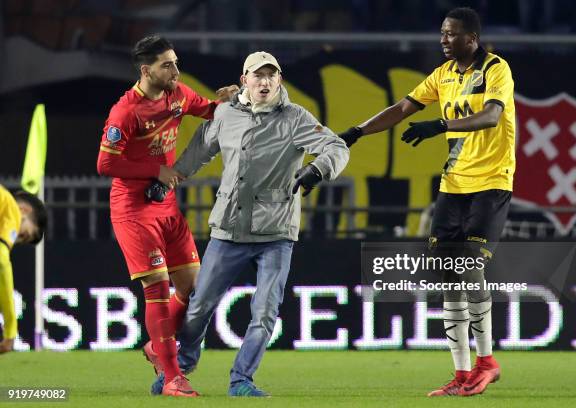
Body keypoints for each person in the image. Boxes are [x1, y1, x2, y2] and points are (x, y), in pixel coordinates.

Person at [149, 51, 349, 397]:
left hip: (276, 234)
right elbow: (199, 150)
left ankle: (241, 380)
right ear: (245, 80)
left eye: (272, 75)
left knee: (265, 312)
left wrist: (318, 169)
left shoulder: (295, 118)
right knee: (198, 305)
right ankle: (181, 368)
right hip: (228, 230)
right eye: (258, 75)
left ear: (279, 81)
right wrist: (170, 178)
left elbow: (336, 146)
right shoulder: (225, 113)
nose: (265, 81)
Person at [338, 7, 515, 397]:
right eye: (441, 33)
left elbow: (490, 117)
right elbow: (402, 109)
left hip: (490, 183)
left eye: (451, 34)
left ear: (471, 38)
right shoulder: (443, 75)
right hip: (452, 187)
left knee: (469, 270)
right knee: (449, 277)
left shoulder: (495, 69)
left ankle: (487, 362)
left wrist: (441, 124)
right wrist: (357, 132)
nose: (443, 40)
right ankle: (462, 373)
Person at [96, 35, 237, 397]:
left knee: (194, 289)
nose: (176, 70)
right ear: (146, 71)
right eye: (167, 65)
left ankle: (155, 346)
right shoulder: (125, 111)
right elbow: (105, 163)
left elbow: (206, 109)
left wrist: (222, 100)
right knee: (156, 288)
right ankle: (174, 377)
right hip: (134, 208)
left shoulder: (177, 94)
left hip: (166, 205)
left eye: (176, 62)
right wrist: (154, 170)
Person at [0, 186, 47, 354]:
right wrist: (11, 330)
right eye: (22, 235)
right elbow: (1, 262)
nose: (14, 241)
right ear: (23, 210)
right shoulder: (11, 210)